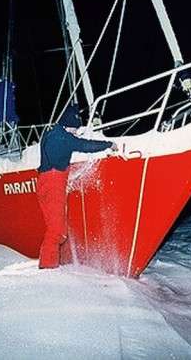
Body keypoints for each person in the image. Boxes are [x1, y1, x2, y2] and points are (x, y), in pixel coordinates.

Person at [36, 103, 116, 269]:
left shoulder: (52, 134)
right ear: (68, 125)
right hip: (53, 184)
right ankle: (47, 267)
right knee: (57, 230)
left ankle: (49, 264)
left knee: (55, 227)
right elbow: (85, 145)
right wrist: (108, 145)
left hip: (46, 181)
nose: (77, 131)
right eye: (75, 128)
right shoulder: (64, 138)